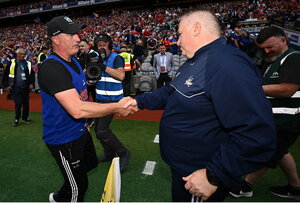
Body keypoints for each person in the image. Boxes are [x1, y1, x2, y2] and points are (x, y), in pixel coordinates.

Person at [124, 8, 276, 202]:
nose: (177, 41)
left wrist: (214, 175)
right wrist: (139, 101)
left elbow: (257, 132)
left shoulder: (227, 64)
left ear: (196, 28)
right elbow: (171, 90)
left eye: (179, 34)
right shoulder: (197, 60)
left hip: (200, 172)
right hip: (184, 167)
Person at [38, 16, 133, 202]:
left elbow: (82, 95)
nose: (78, 38)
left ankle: (59, 195)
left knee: (89, 164)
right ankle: (63, 196)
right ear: (56, 39)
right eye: (71, 34)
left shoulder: (73, 61)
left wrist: (87, 122)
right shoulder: (52, 68)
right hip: (63, 138)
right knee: (79, 187)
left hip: (80, 130)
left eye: (77, 33)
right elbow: (77, 109)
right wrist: (118, 106)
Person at [229, 26, 300, 201]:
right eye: (264, 48)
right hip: (275, 119)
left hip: (286, 120)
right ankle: (296, 188)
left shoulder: (294, 58)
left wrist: (251, 88)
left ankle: (245, 186)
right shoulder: (275, 61)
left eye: (270, 46)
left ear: (283, 40)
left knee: (267, 153)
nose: (266, 51)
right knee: (281, 152)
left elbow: (287, 89)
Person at [93, 33, 131, 172]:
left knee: (102, 130)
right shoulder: (96, 58)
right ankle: (109, 154)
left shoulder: (117, 57)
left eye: (104, 44)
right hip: (100, 98)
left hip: (113, 100)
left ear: (109, 44)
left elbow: (121, 75)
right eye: (99, 45)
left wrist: (103, 67)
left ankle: (123, 152)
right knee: (97, 131)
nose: (102, 47)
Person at [2, 47, 35, 126]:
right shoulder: (12, 62)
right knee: (18, 103)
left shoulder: (28, 63)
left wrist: (31, 83)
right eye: (21, 54)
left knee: (26, 103)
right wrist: (6, 84)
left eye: (24, 54)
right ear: (17, 54)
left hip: (25, 87)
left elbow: (32, 74)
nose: (23, 55)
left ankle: (25, 117)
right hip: (15, 87)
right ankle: (17, 118)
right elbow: (5, 74)